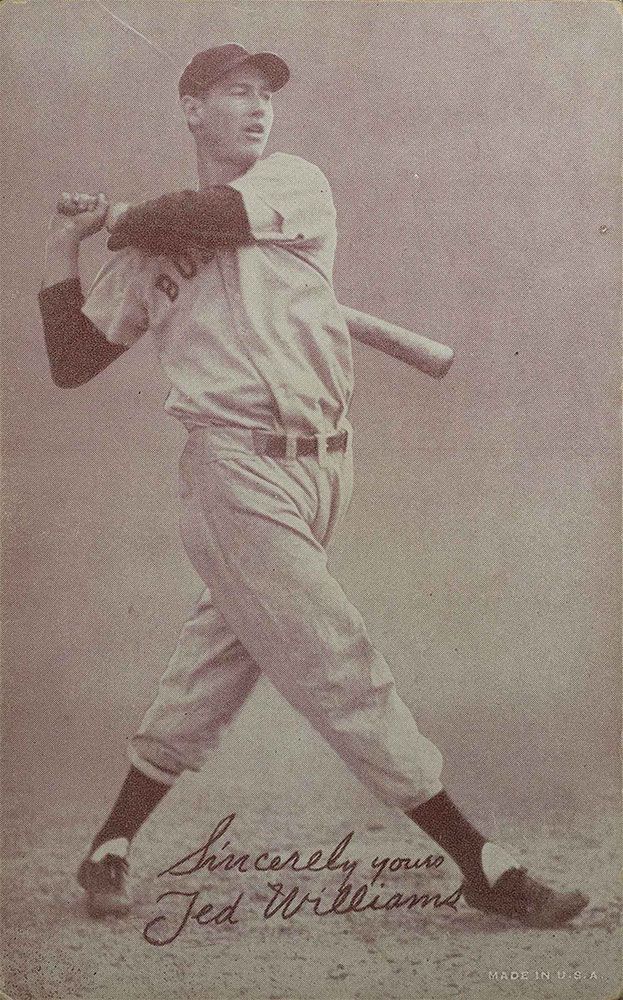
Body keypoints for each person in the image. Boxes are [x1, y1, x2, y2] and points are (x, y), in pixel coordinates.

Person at [39, 44, 588, 927]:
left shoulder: (293, 182)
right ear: (190, 110)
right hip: (233, 468)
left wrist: (120, 215)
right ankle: (480, 860)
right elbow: (72, 360)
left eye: (265, 96)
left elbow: (206, 211)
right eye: (234, 95)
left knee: (216, 661)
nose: (257, 110)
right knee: (336, 661)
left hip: (328, 467)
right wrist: (67, 248)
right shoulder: (146, 253)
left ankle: (108, 844)